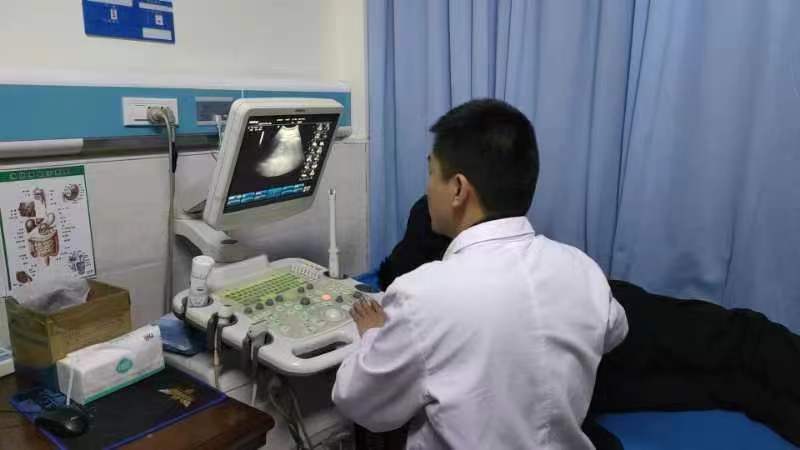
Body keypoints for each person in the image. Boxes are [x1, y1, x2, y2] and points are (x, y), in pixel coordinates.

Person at [332, 99, 628, 449]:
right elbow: (614, 331)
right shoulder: (583, 269)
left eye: (431, 173)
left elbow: (360, 403)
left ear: (458, 189)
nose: (427, 188)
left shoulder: (422, 295)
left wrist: (372, 335)